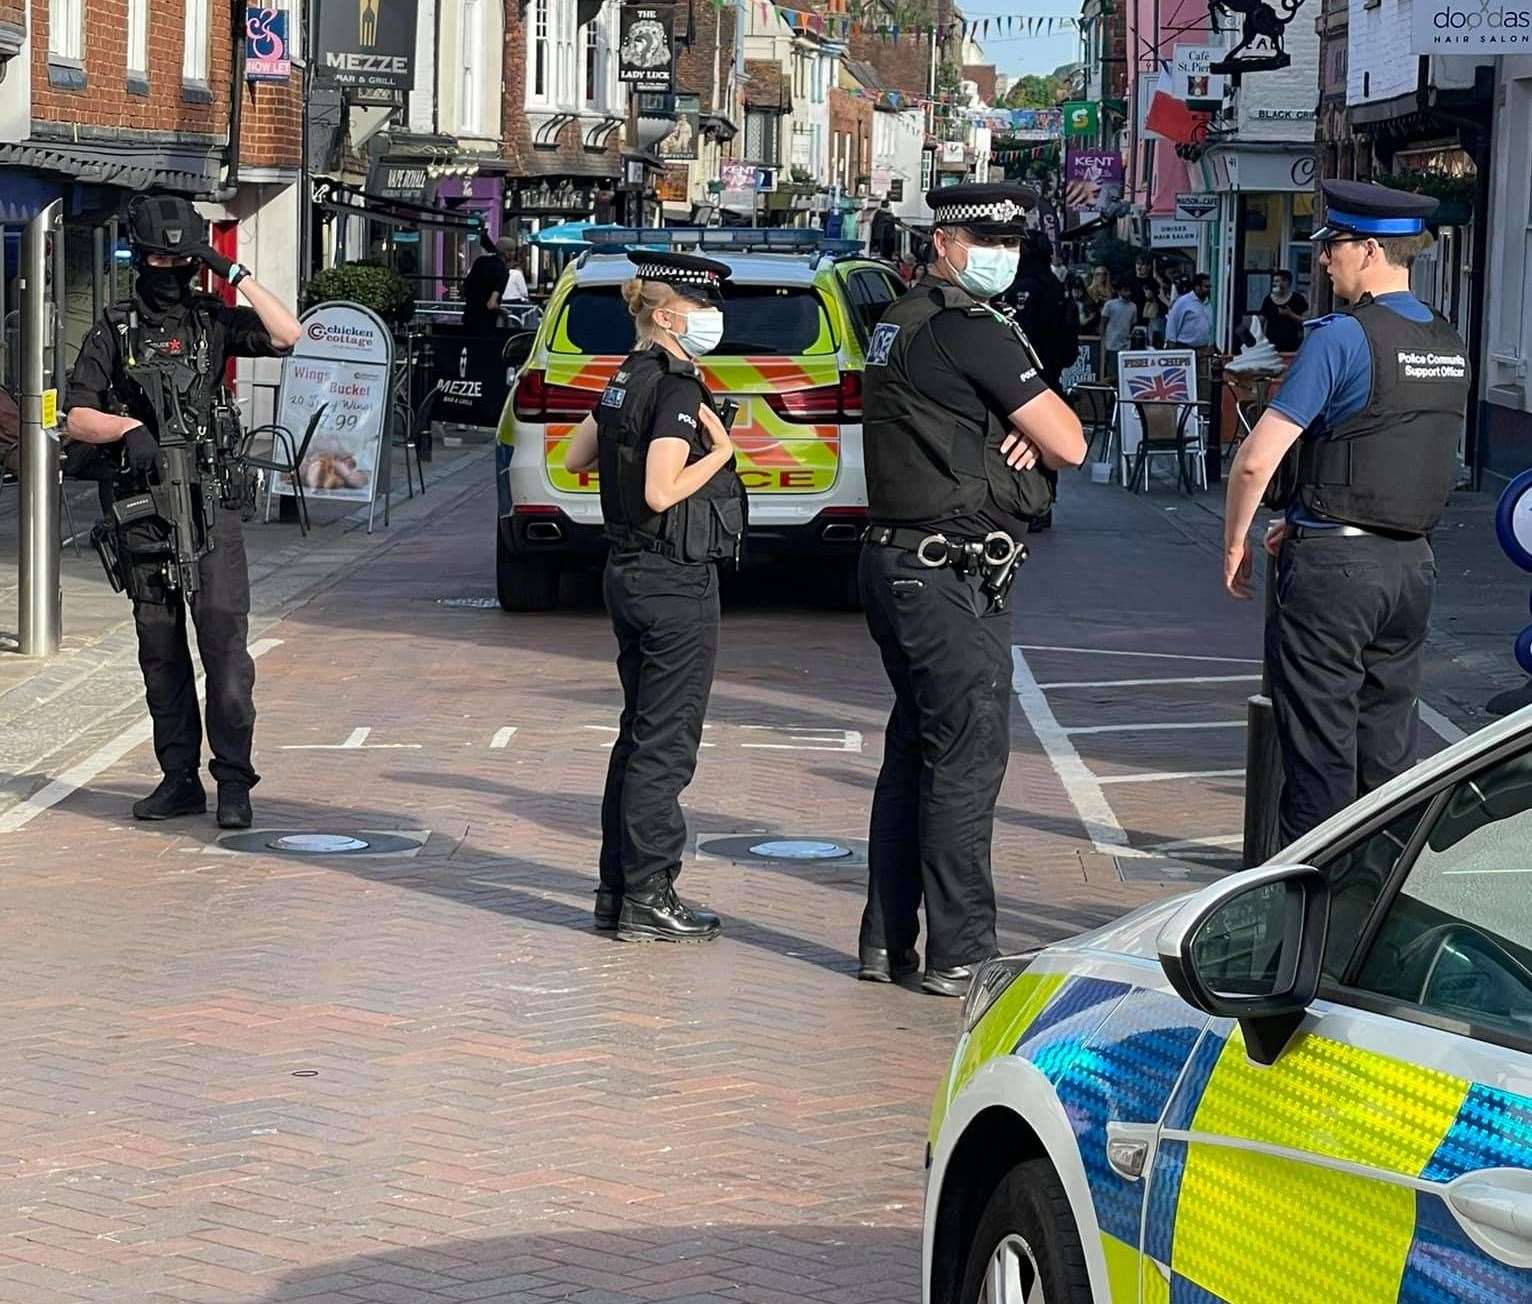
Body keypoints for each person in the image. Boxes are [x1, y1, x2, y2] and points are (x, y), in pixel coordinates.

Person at [856, 183, 1086, 996]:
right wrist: (1028, 427)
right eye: (990, 243)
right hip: (947, 568)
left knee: (914, 751)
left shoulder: (898, 321)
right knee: (965, 755)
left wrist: (1010, 428)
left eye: (1015, 244)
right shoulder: (968, 329)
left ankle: (887, 943)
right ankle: (961, 950)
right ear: (946, 244)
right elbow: (1071, 440)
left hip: (896, 561)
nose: (1004, 257)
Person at [1222, 179, 1470, 845]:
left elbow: (1255, 458)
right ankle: (1378, 902)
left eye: (1332, 247)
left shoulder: (1341, 338)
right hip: (1411, 567)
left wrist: (1235, 542)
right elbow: (1388, 443)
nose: (1324, 260)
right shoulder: (1447, 342)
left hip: (1335, 572)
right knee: (1387, 753)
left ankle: (1312, 921)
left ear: (1367, 250)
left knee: (1318, 756)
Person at [63, 192, 301, 828]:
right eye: (160, 257)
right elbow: (75, 415)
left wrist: (231, 271)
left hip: (210, 508)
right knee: (160, 651)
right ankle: (179, 780)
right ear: (140, 258)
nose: (170, 270)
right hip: (145, 513)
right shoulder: (115, 328)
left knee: (225, 649)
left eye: (183, 258)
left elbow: (288, 333)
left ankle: (235, 783)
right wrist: (124, 431)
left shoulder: (212, 320)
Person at [561, 251, 747, 943]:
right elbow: (661, 490)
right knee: (665, 746)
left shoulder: (624, 376)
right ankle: (648, 893)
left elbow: (577, 459)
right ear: (667, 315)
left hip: (627, 571)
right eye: (703, 309)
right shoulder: (673, 387)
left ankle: (618, 890)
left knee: (637, 736)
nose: (713, 321)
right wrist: (720, 453)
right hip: (672, 578)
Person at [1004, 232, 1079, 531]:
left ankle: (1029, 503)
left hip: (1024, 377)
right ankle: (1043, 505)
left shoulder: (1024, 288)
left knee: (1022, 443)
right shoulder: (1056, 287)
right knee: (1045, 441)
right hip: (1052, 377)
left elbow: (1017, 336)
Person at [460, 235, 522, 333]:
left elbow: (464, 290)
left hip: (468, 318)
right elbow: (491, 304)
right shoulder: (503, 271)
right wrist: (503, 311)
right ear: (508, 253)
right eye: (514, 251)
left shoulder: (480, 261)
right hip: (485, 324)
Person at [1259, 269, 1308, 354]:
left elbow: (1306, 320)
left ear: (1287, 282)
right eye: (1274, 281)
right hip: (1271, 346)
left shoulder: (1297, 298)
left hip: (1292, 345)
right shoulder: (1268, 300)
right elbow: (1261, 320)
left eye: (1279, 281)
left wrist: (1291, 314)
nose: (1276, 284)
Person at [1100, 279, 1138, 380]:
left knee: (1124, 374)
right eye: (1125, 290)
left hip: (1126, 346)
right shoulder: (1110, 304)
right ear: (1119, 291)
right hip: (1111, 345)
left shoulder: (1133, 307)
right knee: (1112, 375)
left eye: (1129, 291)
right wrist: (1102, 341)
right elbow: (1103, 323)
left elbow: (1132, 325)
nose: (1128, 293)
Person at [1166, 272, 1213, 349]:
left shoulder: (1207, 303)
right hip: (1184, 347)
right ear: (1197, 287)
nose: (1209, 289)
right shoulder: (1183, 302)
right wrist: (1172, 350)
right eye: (1206, 287)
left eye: (1210, 287)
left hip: (1202, 348)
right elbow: (1172, 325)